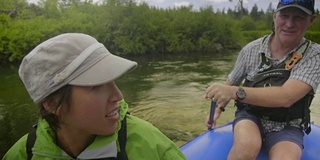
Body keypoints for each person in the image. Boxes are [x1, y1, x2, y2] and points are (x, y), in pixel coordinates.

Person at [2, 33, 186, 160]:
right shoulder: (23, 154)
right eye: (97, 85)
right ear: (52, 103)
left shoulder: (151, 146)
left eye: (113, 81)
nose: (118, 96)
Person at [205, 0, 320, 160]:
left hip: (288, 124)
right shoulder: (250, 50)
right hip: (251, 115)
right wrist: (217, 111)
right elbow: (232, 82)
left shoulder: (315, 55)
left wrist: (233, 92)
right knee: (246, 147)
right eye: (284, 16)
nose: (289, 24)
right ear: (274, 16)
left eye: (298, 18)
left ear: (311, 20)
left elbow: (287, 97)